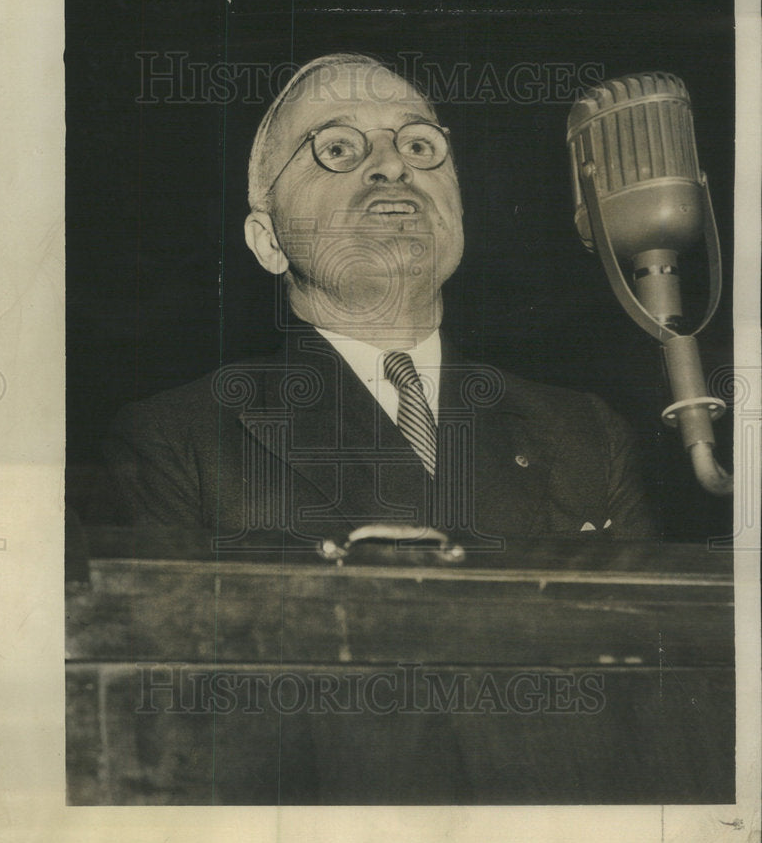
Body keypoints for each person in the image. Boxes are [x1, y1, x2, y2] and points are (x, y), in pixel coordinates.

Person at [104, 52, 655, 547]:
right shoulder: (181, 441)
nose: (395, 165)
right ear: (268, 241)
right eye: (338, 147)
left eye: (419, 144)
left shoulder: (585, 435)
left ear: (459, 213)